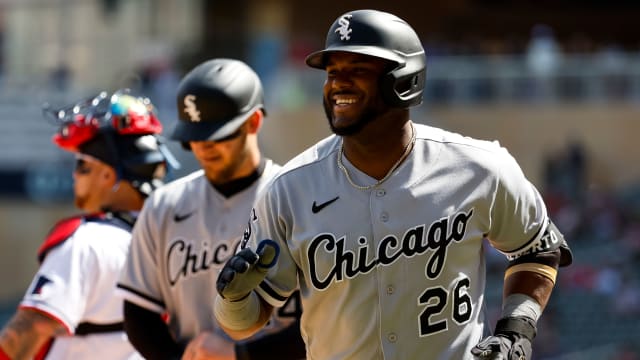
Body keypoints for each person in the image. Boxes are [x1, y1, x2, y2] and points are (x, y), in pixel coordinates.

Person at [214, 9, 573, 360]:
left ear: (405, 79)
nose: (338, 82)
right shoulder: (288, 190)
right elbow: (246, 322)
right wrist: (233, 300)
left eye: (357, 69)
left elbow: (539, 248)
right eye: (333, 71)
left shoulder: (480, 167)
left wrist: (516, 328)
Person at [117, 58, 305, 360]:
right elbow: (139, 314)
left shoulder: (297, 198)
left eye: (218, 133)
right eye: (195, 135)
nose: (204, 145)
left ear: (254, 122)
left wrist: (239, 354)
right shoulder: (164, 205)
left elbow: (321, 316)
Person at [0, 89, 178, 359]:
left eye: (82, 164)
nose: (74, 175)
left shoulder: (87, 240)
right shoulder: (174, 238)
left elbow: (26, 330)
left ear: (108, 174)